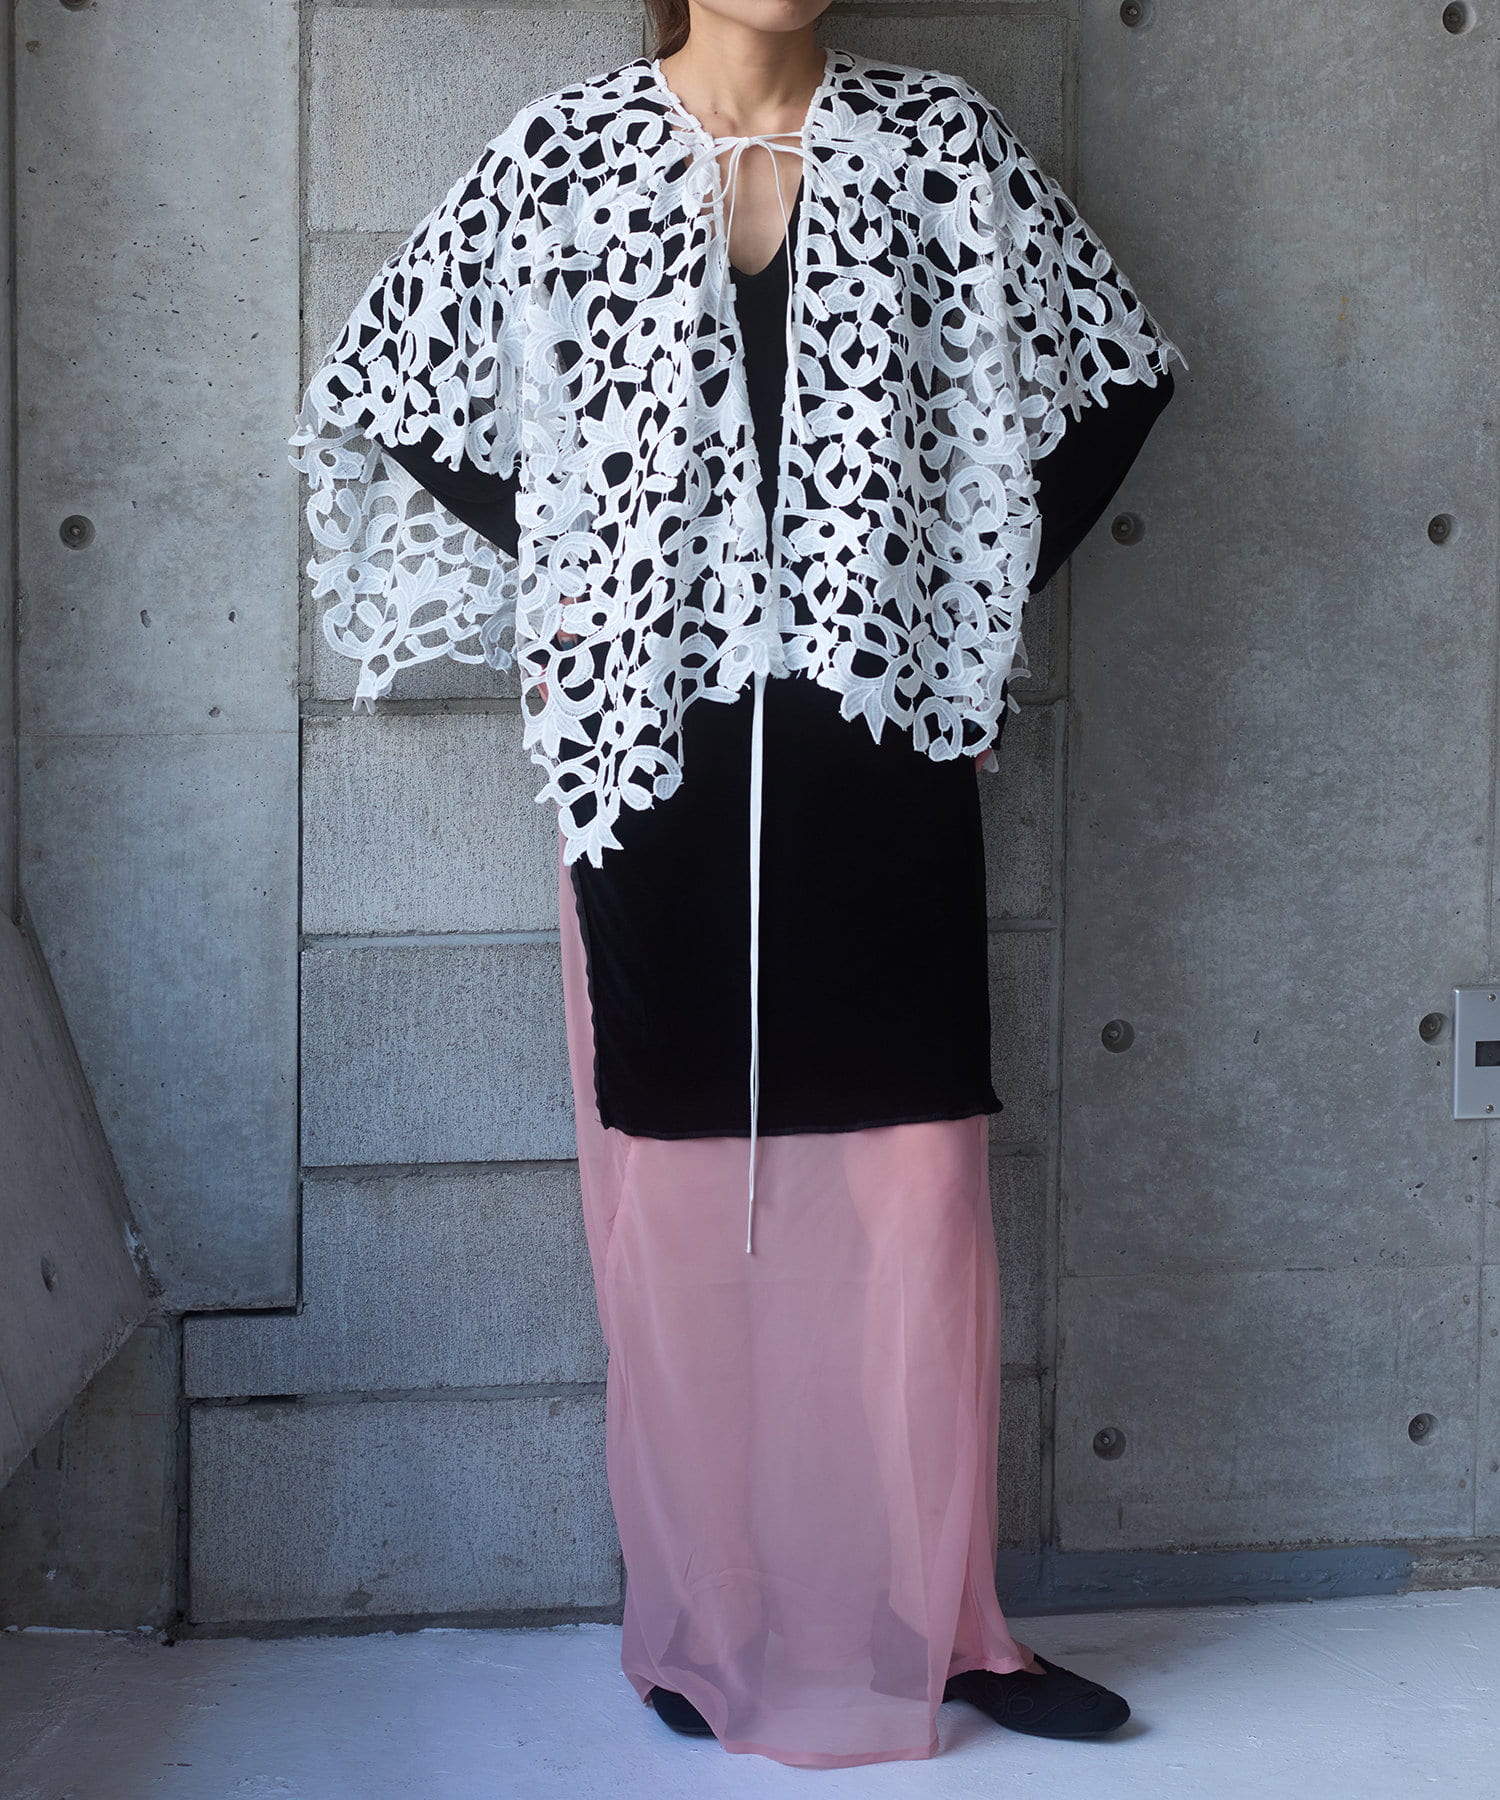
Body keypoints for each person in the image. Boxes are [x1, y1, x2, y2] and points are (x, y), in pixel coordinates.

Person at [289, 0, 1184, 1769]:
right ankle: (713, 1620)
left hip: (881, 717)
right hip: (655, 750)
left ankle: (951, 1625)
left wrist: (959, 576)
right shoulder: (561, 158)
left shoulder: (940, 149)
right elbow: (392, 390)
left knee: (920, 1194)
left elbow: (1119, 375)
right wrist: (588, 567)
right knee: (685, 1201)